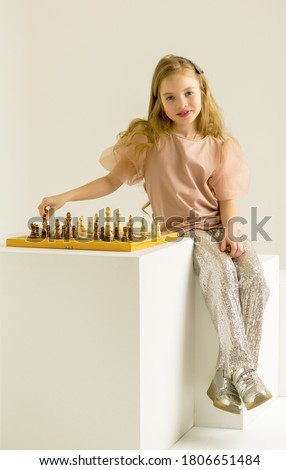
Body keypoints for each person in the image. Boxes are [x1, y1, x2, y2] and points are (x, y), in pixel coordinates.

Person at [38, 54, 272, 415]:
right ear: (158, 100)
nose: (182, 104)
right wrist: (64, 197)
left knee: (256, 278)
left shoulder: (219, 144)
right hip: (181, 233)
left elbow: (228, 199)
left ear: (203, 92)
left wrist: (234, 232)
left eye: (189, 93)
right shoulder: (147, 139)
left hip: (216, 225)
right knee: (220, 272)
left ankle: (227, 376)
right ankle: (242, 370)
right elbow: (111, 181)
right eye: (171, 97)